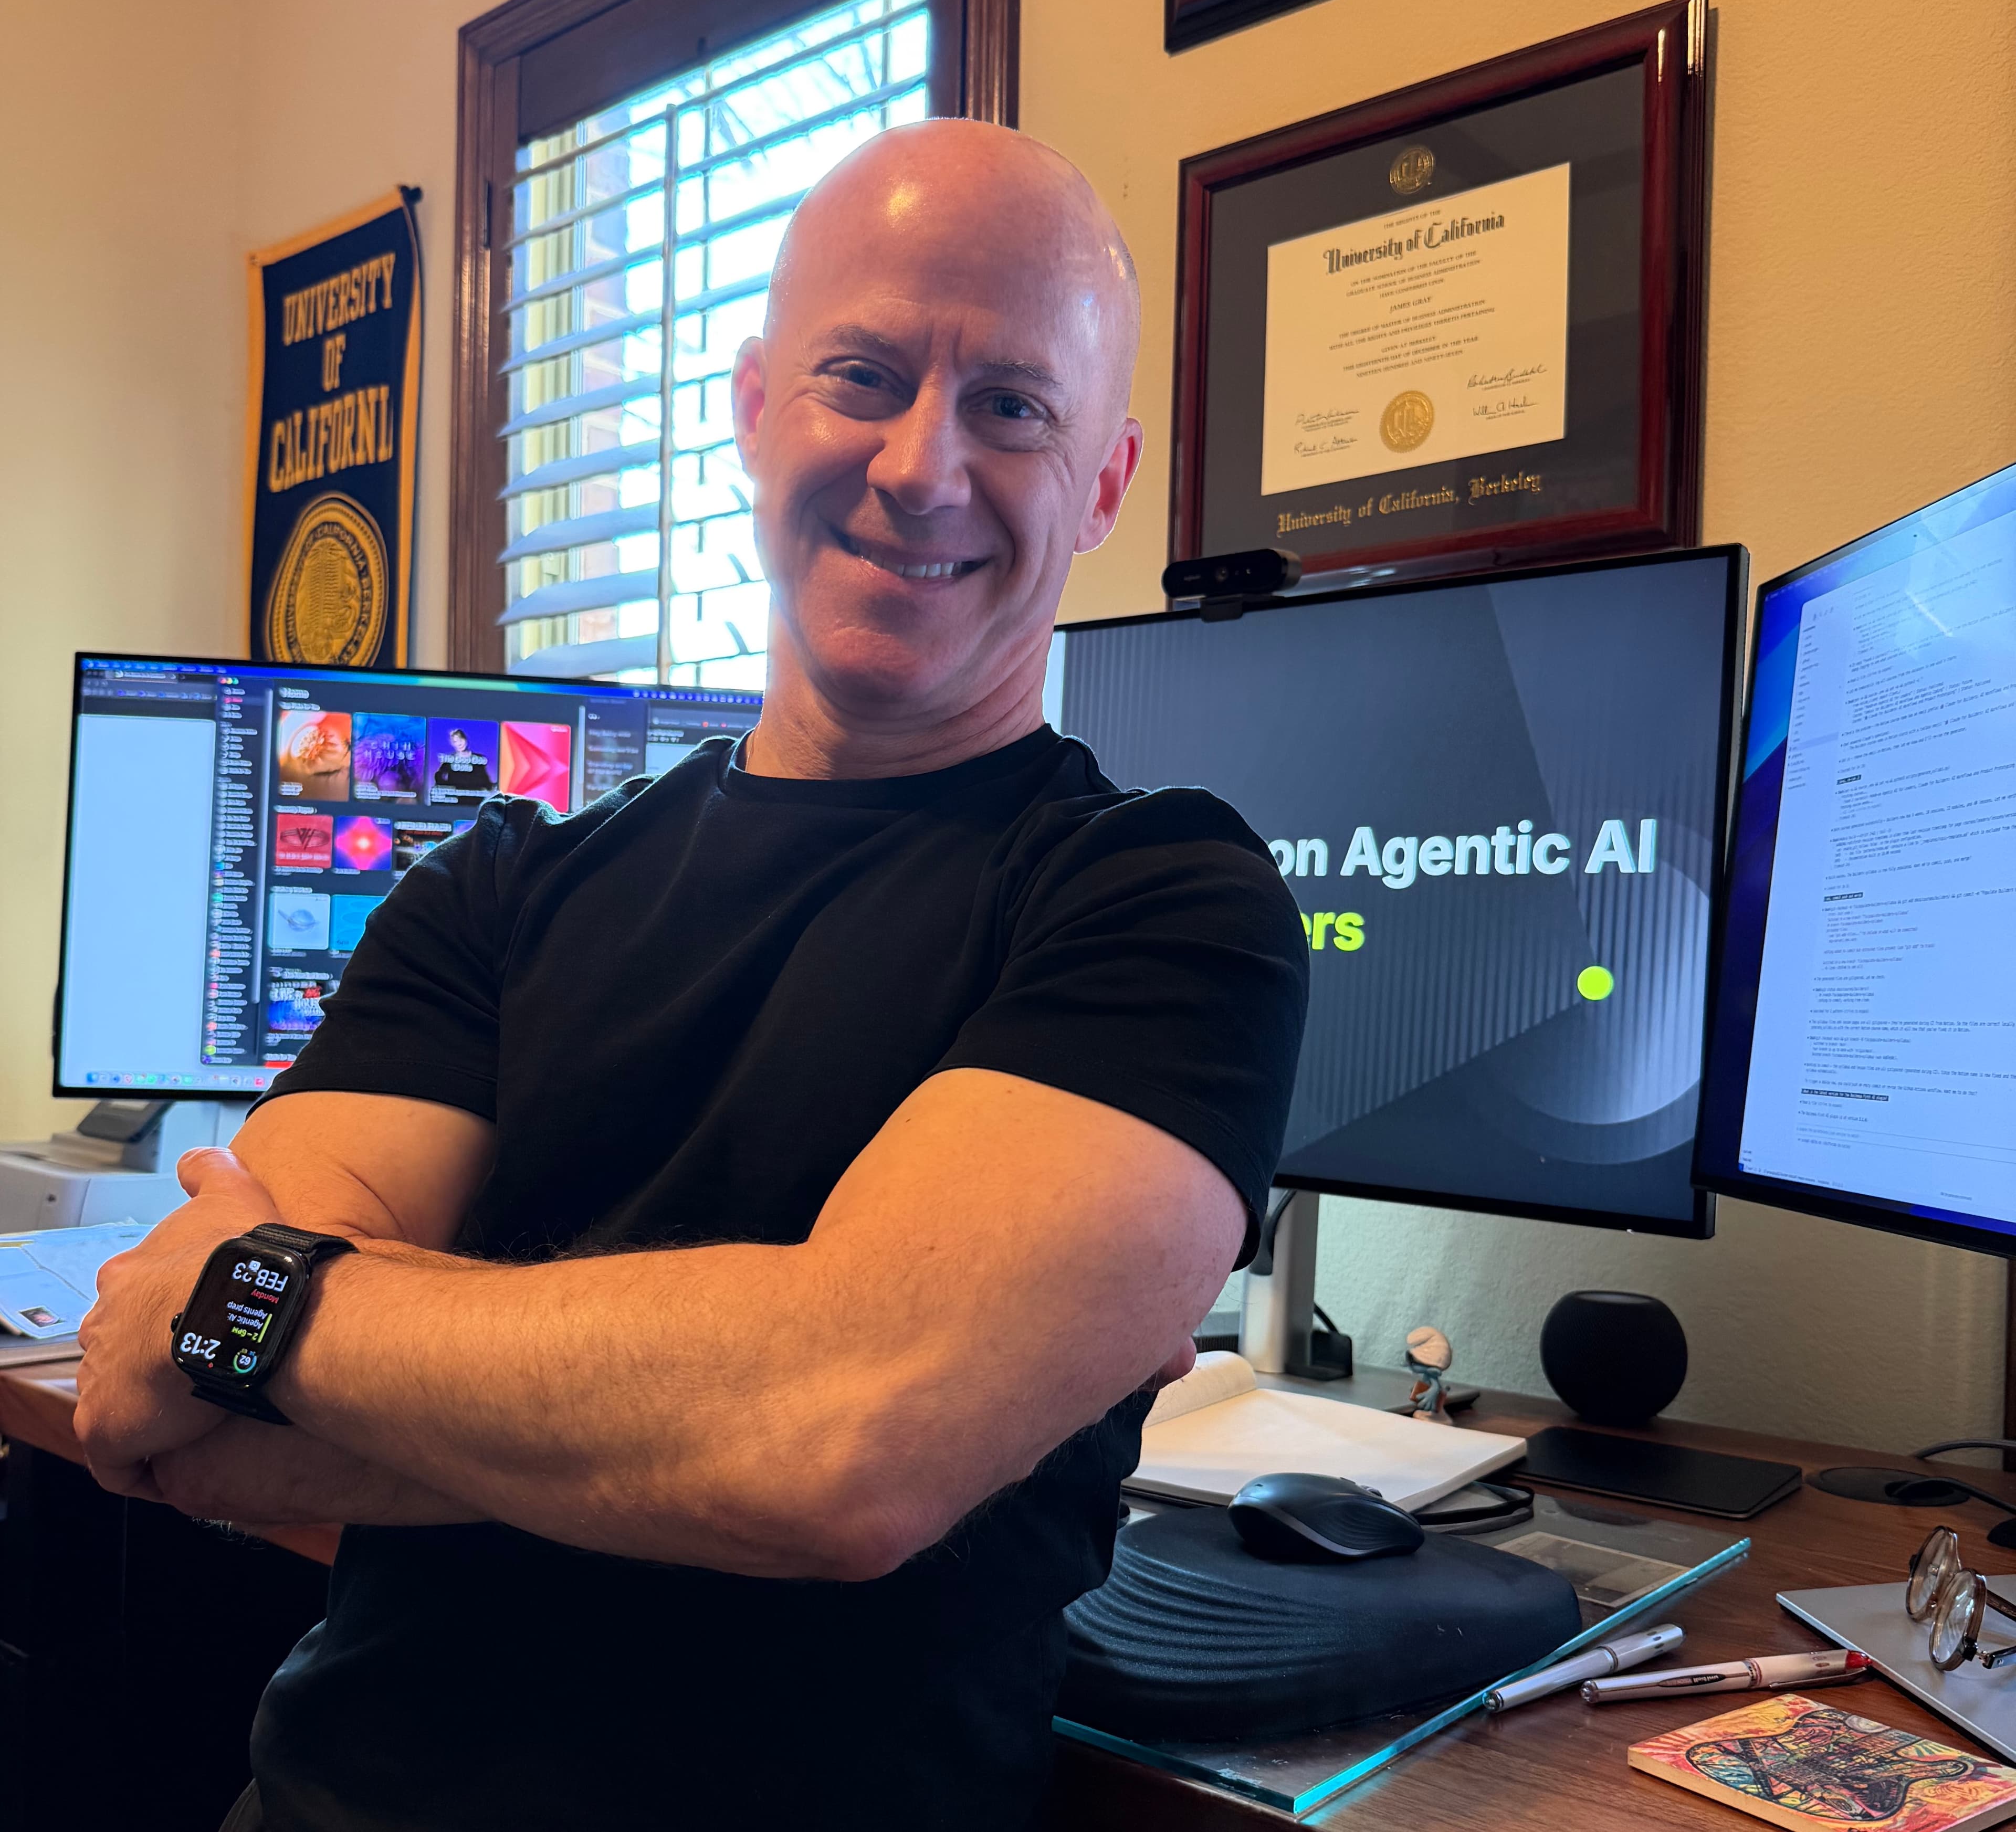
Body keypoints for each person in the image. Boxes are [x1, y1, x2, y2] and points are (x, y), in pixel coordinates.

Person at [76, 120, 1311, 1832]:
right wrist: (712, 1402)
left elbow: (836, 1448)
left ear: (1103, 483)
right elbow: (159, 1405)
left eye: (1013, 406)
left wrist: (275, 1303)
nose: (922, 464)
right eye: (862, 374)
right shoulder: (492, 888)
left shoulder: (1161, 902)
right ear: (750, 407)